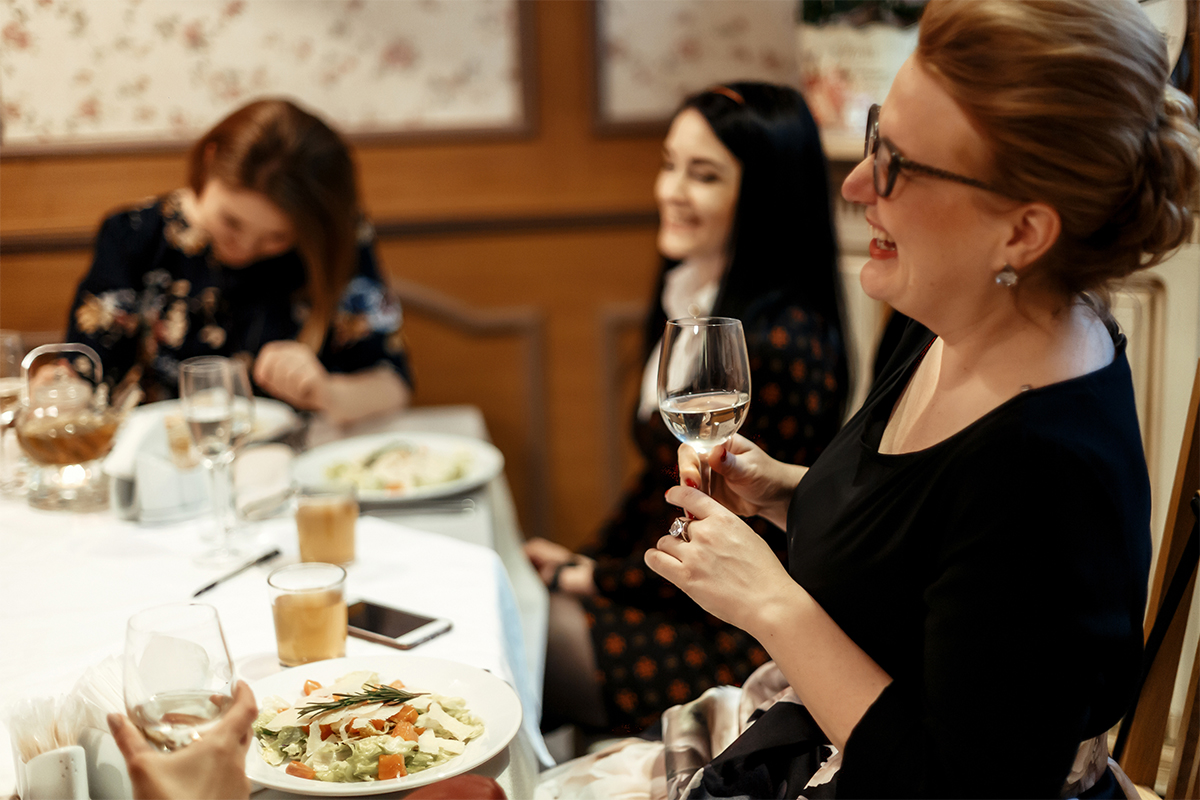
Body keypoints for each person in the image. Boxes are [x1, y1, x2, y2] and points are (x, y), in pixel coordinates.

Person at [633, 1, 1200, 797]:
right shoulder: (950, 316)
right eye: (875, 137)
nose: (859, 186)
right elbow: (930, 561)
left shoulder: (1042, 468)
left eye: (900, 164)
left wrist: (770, 604)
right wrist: (787, 492)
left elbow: (954, 782)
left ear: (1022, 233)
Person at [524, 82, 850, 736]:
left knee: (518, 637)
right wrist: (585, 563)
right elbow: (658, 486)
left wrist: (595, 580)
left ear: (762, 196)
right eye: (669, 164)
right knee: (512, 604)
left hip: (734, 636)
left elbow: (737, 538)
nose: (672, 190)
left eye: (703, 175)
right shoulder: (696, 295)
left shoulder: (778, 342)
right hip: (679, 595)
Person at [66, 98, 412, 425]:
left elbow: (393, 383)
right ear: (209, 160)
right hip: (165, 462)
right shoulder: (136, 235)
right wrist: (60, 390)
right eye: (231, 222)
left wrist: (326, 392)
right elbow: (83, 373)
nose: (244, 248)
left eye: (276, 237)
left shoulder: (336, 241)